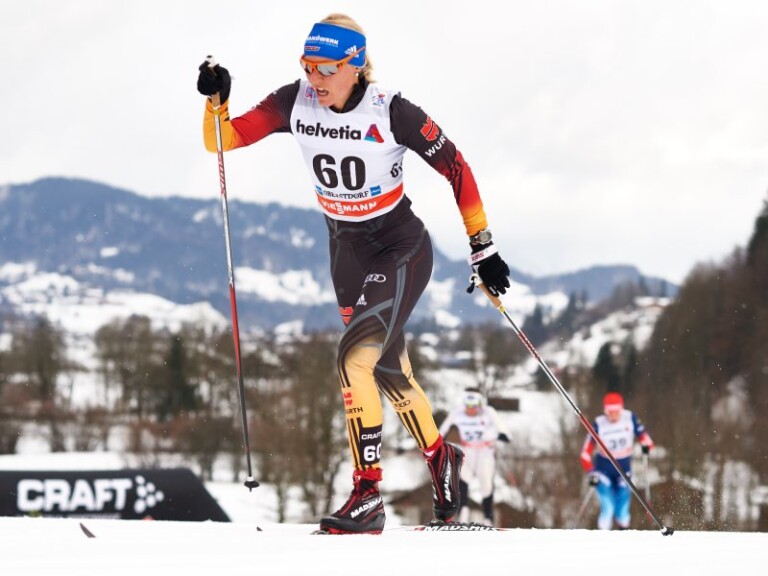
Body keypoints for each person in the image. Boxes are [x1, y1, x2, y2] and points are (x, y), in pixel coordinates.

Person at [196, 14, 511, 534]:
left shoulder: (392, 110)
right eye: (307, 66)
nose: (315, 79)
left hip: (400, 247)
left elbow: (456, 167)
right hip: (345, 254)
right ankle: (442, 460)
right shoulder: (294, 101)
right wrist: (217, 101)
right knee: (387, 373)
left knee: (352, 359)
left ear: (356, 64)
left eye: (326, 69)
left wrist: (483, 246)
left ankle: (367, 494)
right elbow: (222, 140)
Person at [579, 392, 654, 530]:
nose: (613, 416)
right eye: (610, 412)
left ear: (621, 409)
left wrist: (646, 444)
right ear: (605, 411)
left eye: (617, 412)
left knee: (623, 511)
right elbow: (585, 453)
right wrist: (591, 471)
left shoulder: (629, 418)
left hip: (624, 471)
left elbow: (646, 438)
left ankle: (623, 534)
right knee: (608, 508)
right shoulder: (599, 424)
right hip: (603, 471)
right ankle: (604, 536)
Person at [439, 389, 511, 526]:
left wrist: (502, 436)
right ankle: (463, 513)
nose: (470, 410)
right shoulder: (458, 412)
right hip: (468, 449)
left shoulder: (488, 412)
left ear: (479, 404)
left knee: (486, 484)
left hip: (485, 451)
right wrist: (436, 442)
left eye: (474, 406)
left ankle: (488, 518)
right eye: (468, 406)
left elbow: (503, 429)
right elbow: (443, 429)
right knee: (462, 478)